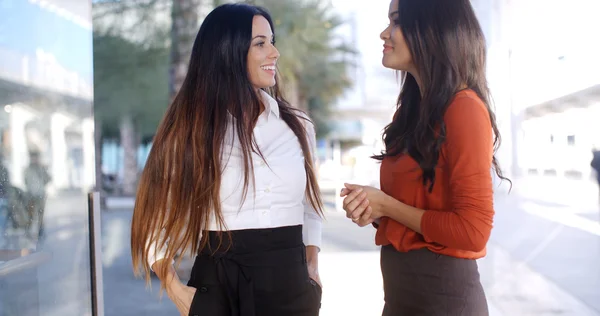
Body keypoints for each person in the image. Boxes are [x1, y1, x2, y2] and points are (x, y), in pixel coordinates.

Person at [130, 3, 324, 316]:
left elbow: (310, 207)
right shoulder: (191, 131)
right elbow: (155, 219)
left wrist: (312, 269)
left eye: (272, 42)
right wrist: (177, 291)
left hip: (293, 288)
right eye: (260, 43)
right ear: (227, 52)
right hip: (219, 290)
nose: (274, 53)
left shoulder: (298, 125)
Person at [340, 0, 510, 315]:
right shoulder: (413, 111)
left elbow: (473, 231)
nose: (384, 33)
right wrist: (374, 210)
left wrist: (386, 205)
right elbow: (422, 209)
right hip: (402, 297)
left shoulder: (464, 108)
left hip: (442, 300)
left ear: (432, 28)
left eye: (397, 21)